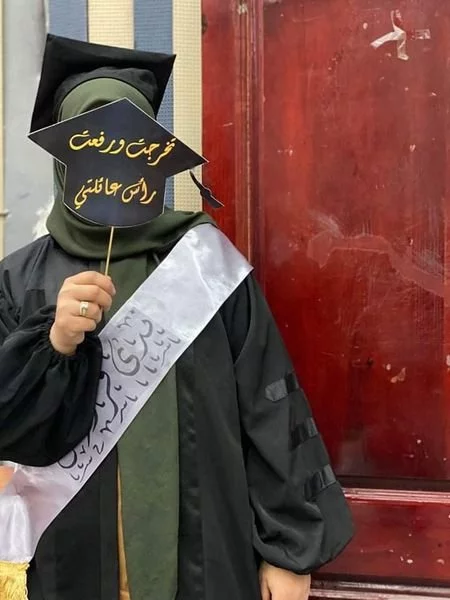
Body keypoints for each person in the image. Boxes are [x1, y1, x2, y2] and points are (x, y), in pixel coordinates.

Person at [0, 34, 353, 600]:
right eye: (90, 143)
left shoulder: (205, 263)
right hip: (73, 556)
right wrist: (54, 345)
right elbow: (10, 429)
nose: (110, 160)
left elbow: (269, 402)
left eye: (127, 140)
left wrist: (289, 552)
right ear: (65, 158)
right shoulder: (20, 280)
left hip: (204, 549)